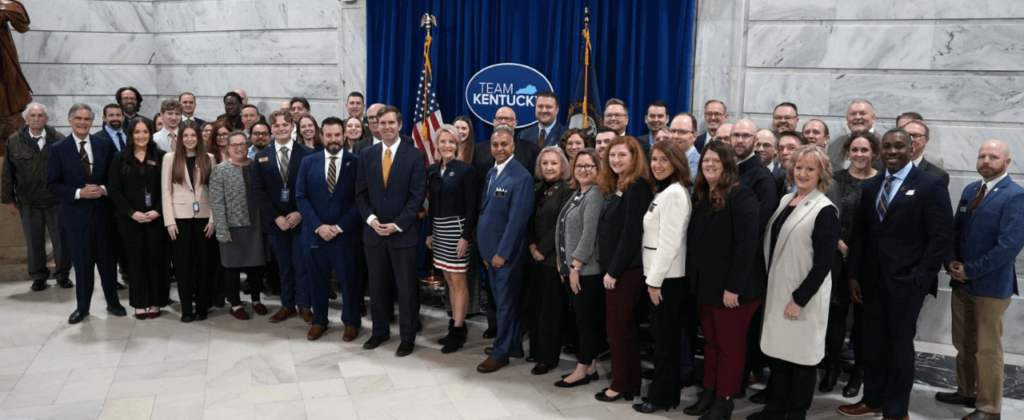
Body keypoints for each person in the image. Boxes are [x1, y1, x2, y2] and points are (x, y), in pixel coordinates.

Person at [839, 129, 953, 420]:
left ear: (911, 147)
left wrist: (920, 277)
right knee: (873, 344)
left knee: (899, 348)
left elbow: (940, 237)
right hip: (871, 281)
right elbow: (861, 235)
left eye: (899, 146)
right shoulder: (873, 185)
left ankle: (896, 410)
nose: (892, 151)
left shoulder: (930, 184)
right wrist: (854, 276)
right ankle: (873, 399)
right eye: (887, 146)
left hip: (908, 283)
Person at [937, 140, 1024, 420]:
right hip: (961, 282)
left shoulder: (1015, 195)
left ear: (1007, 162)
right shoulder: (971, 190)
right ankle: (967, 391)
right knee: (963, 343)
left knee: (987, 348)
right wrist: (950, 260)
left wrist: (971, 270)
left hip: (990, 286)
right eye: (982, 155)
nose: (986, 160)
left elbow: (1008, 246)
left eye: (993, 156)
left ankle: (989, 408)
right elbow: (954, 230)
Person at [751, 145, 838, 420]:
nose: (802, 173)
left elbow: (824, 264)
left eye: (810, 169)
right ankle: (776, 408)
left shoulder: (824, 209)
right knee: (778, 356)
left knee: (801, 359)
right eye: (798, 167)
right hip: (778, 291)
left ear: (821, 173)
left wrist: (799, 299)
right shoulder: (786, 199)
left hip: (803, 298)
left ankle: (796, 412)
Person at [684, 141, 760, 420]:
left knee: (730, 348)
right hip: (707, 288)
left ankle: (724, 401)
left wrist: (734, 288)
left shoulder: (742, 195)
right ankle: (709, 392)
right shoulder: (703, 194)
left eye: (716, 161)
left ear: (728, 165)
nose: (710, 165)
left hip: (734, 291)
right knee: (712, 345)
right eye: (706, 161)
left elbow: (747, 246)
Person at [355, 105, 427, 357]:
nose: (386, 127)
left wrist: (397, 224)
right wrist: (372, 220)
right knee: (376, 287)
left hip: (402, 234)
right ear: (375, 125)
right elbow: (360, 194)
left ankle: (407, 337)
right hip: (374, 234)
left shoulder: (415, 156)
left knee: (406, 289)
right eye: (381, 123)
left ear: (400, 125)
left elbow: (417, 196)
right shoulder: (366, 154)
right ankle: (380, 331)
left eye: (390, 123)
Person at [47, 103, 127, 324]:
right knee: (82, 265)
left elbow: (115, 179)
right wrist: (78, 192)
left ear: (93, 121)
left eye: (87, 119)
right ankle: (83, 307)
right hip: (76, 217)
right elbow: (52, 184)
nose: (83, 123)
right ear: (70, 120)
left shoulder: (104, 145)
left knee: (108, 263)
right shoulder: (58, 149)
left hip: (104, 216)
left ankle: (113, 302)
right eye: (78, 119)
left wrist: (103, 189)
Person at [633, 141, 694, 413]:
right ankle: (664, 392)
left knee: (666, 343)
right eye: (654, 159)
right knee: (662, 341)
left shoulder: (675, 194)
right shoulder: (665, 191)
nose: (656, 164)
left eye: (663, 160)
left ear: (676, 163)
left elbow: (669, 243)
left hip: (666, 280)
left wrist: (654, 282)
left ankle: (661, 398)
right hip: (660, 278)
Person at [594, 136, 653, 402]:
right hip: (615, 269)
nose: (616, 160)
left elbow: (631, 234)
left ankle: (621, 385)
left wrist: (613, 272)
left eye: (622, 155)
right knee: (621, 328)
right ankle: (628, 383)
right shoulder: (618, 185)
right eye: (612, 155)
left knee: (619, 329)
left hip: (626, 271)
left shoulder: (638, 186)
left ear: (634, 158)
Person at [295, 117, 364, 342]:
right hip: (315, 235)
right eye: (328, 135)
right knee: (317, 281)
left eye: (337, 135)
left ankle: (352, 322)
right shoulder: (308, 162)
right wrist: (318, 226)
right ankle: (319, 321)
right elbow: (301, 197)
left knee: (349, 282)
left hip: (345, 236)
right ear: (321, 136)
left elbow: (360, 200)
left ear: (344, 135)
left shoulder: (356, 162)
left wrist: (340, 226)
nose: (333, 139)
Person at [474, 124, 535, 373]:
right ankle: (512, 344)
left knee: (507, 305)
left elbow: (517, 222)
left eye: (504, 144)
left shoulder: (522, 177)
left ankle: (501, 352)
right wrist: (488, 253)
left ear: (513, 146)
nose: (499, 148)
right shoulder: (492, 173)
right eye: (495, 144)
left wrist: (501, 254)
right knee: (502, 303)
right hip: (491, 254)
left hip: (505, 256)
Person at [825, 131, 879, 398]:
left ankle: (858, 372)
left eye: (864, 150)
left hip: (867, 260)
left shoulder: (881, 182)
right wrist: (840, 244)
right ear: (848, 152)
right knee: (835, 315)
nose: (859, 155)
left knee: (862, 319)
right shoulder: (836, 179)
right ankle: (831, 367)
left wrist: (857, 251)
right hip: (837, 254)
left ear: (874, 153)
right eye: (854, 150)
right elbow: (826, 215)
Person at [253, 110, 315, 324]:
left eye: (285, 125)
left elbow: (313, 189)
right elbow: (259, 191)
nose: (281, 129)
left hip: (301, 221)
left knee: (302, 264)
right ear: (271, 129)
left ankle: (305, 305)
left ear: (292, 127)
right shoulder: (261, 157)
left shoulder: (307, 153)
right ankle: (287, 305)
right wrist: (276, 217)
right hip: (276, 224)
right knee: (284, 267)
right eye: (276, 126)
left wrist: (300, 212)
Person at [2, 103, 72, 291]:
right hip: (28, 201)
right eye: (32, 115)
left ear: (46, 119)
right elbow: (8, 172)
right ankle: (39, 277)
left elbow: (69, 170)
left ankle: (63, 275)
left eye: (40, 115)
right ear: (26, 119)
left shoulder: (58, 139)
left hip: (55, 200)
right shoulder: (14, 140)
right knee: (34, 242)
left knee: (61, 240)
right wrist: (8, 199)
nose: (36, 119)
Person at [554, 148, 606, 388]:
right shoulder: (579, 192)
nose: (583, 170)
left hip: (585, 271)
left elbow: (589, 234)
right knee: (582, 320)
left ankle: (582, 369)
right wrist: (561, 258)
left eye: (589, 166)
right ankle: (592, 365)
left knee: (585, 323)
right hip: (570, 268)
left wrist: (574, 265)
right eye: (579, 166)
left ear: (598, 169)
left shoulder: (594, 193)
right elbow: (564, 228)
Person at [425, 125, 478, 353]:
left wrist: (465, 236)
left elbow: (472, 206)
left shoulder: (466, 170)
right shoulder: (431, 170)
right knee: (448, 280)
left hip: (457, 232)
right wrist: (430, 232)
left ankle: (458, 330)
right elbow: (432, 205)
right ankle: (454, 326)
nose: (447, 145)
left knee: (459, 283)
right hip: (439, 230)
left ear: (458, 145)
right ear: (437, 145)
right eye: (443, 141)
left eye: (451, 142)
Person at [108, 118, 168, 319]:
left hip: (156, 218)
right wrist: (132, 212)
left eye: (145, 132)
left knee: (156, 260)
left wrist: (158, 211)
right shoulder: (119, 158)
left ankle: (156, 301)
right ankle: (139, 303)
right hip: (129, 219)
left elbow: (168, 188)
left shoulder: (161, 156)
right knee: (135, 261)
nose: (141, 136)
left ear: (150, 134)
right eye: (137, 132)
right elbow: (114, 190)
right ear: (131, 134)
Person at [209, 131, 267, 320]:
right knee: (231, 267)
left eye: (243, 144)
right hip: (232, 226)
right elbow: (216, 202)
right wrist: (222, 230)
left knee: (256, 265)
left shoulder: (257, 166)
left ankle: (256, 300)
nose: (240, 148)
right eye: (235, 145)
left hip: (256, 224)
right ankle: (235, 304)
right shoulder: (219, 170)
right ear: (228, 147)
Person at [161, 124, 216, 322]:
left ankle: (202, 306)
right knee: (183, 266)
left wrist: (213, 219)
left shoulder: (209, 158)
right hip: (179, 219)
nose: (190, 139)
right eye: (186, 135)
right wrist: (169, 222)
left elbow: (215, 191)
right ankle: (186, 308)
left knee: (203, 265)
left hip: (204, 218)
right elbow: (166, 192)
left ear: (199, 138)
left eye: (194, 135)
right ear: (180, 138)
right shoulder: (169, 158)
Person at [525, 146, 573, 374]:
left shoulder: (567, 189)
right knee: (535, 307)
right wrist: (532, 245)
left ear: (563, 166)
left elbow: (561, 223)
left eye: (554, 163)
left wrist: (542, 249)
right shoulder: (536, 188)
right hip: (534, 256)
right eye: (544, 163)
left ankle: (548, 358)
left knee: (550, 311)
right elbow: (529, 220)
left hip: (553, 258)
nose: (549, 167)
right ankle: (535, 350)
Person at [826, 99, 883, 170]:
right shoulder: (835, 143)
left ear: (873, 118)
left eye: (862, 113)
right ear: (847, 120)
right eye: (853, 114)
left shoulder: (883, 144)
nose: (857, 117)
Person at [903, 119, 949, 185]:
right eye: (906, 135)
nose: (911, 139)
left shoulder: (937, 175)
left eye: (916, 135)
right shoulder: (886, 168)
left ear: (926, 141)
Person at [668, 112, 700, 182]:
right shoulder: (666, 159)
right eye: (672, 131)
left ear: (694, 136)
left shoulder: (699, 164)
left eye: (682, 131)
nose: (675, 136)